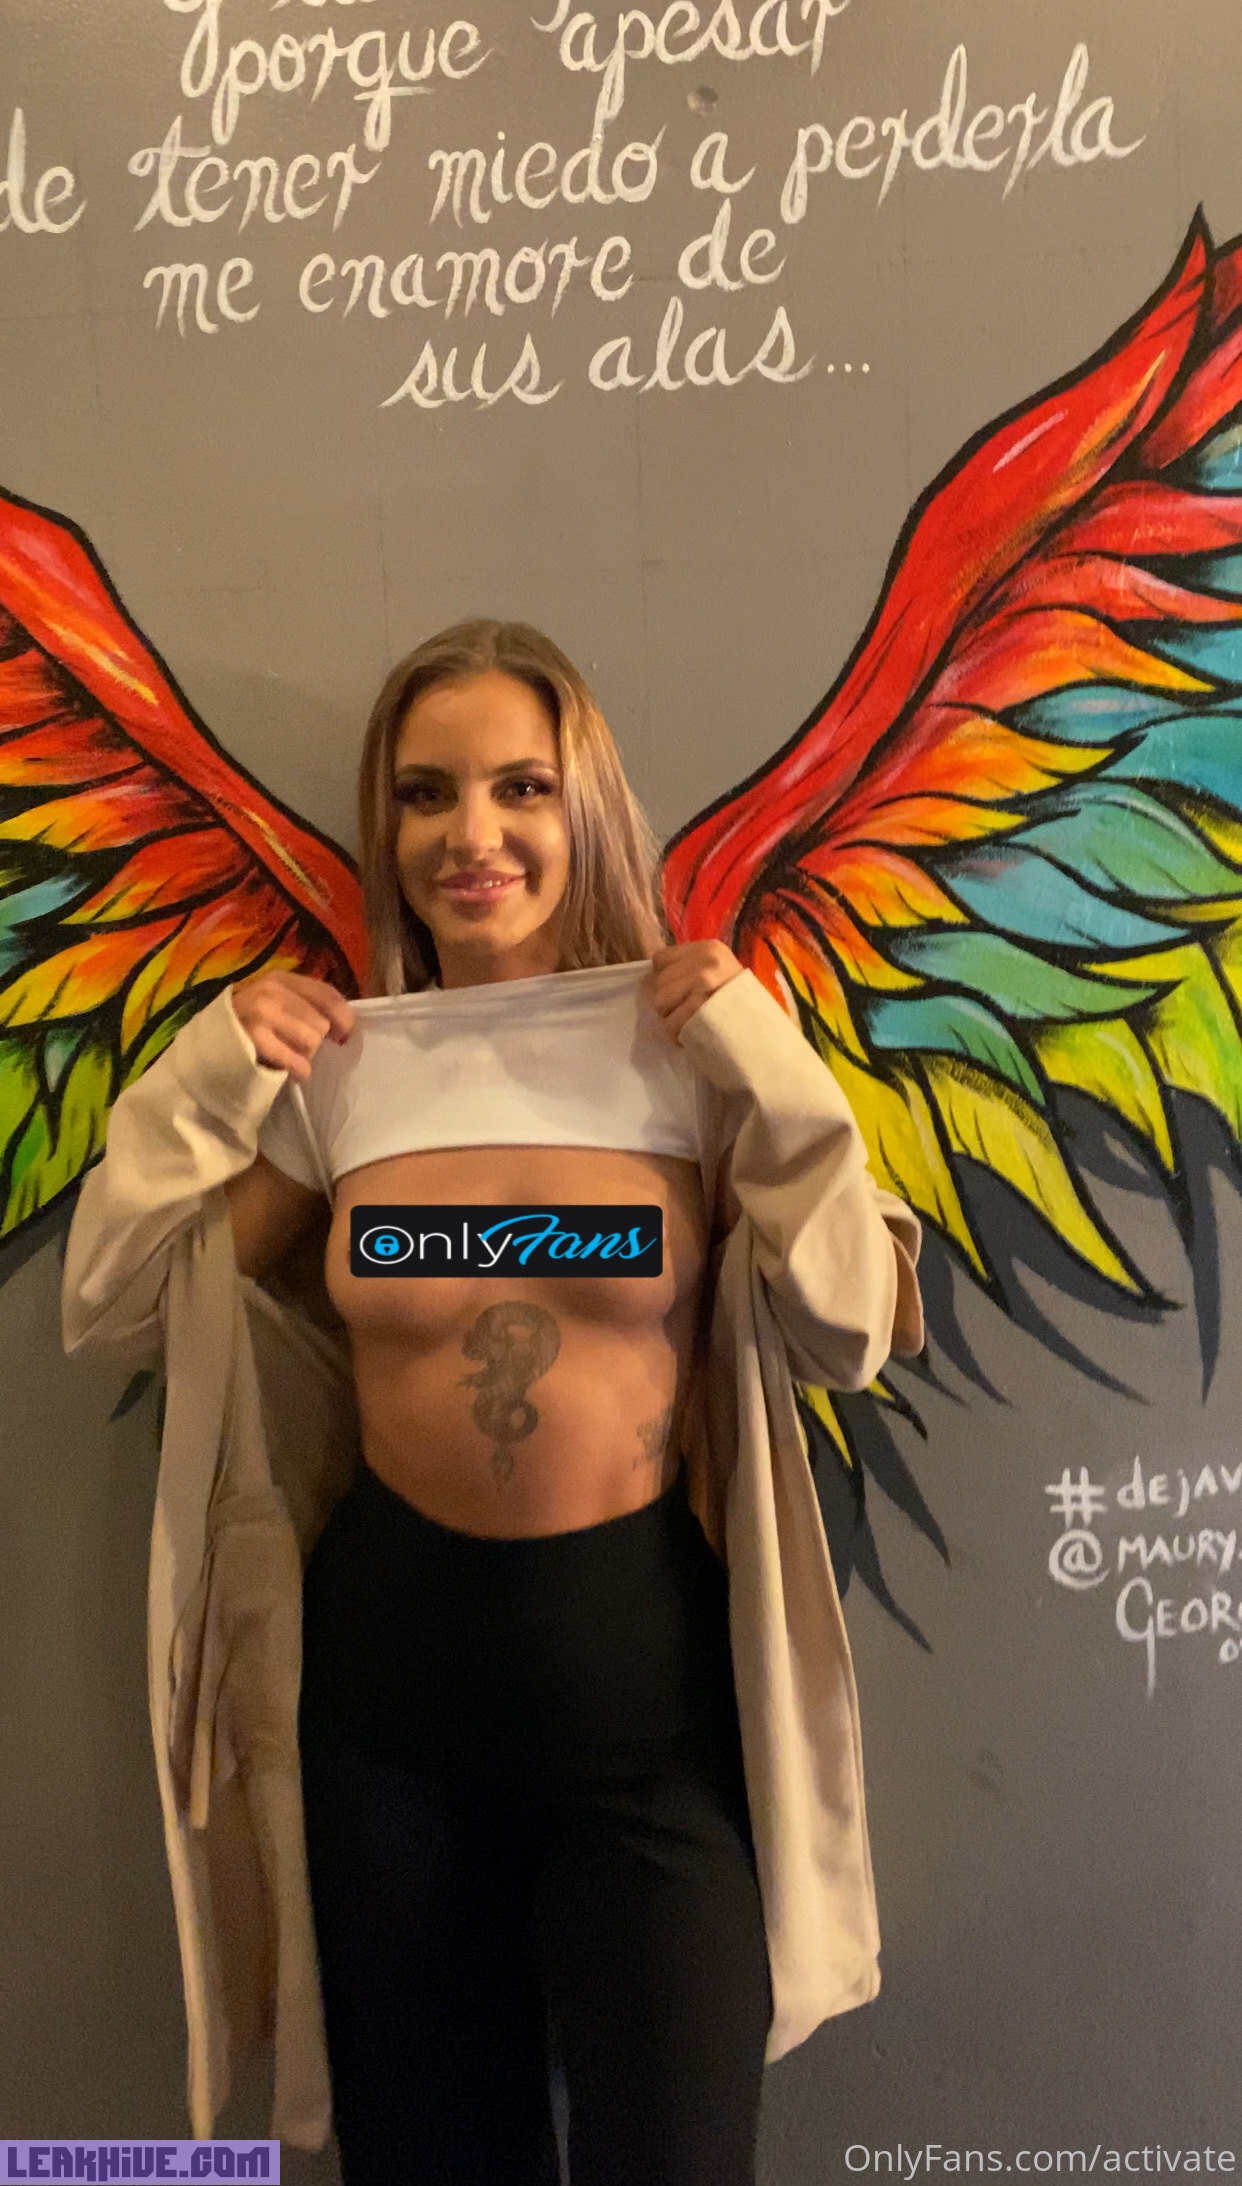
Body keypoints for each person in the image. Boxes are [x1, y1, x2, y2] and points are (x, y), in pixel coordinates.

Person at [62, 619, 923, 2186]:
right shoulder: (342, 1076)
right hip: (389, 1732)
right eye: (427, 793)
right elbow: (117, 1308)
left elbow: (848, 1327)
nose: (474, 834)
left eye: (521, 786)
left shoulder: (687, 1055)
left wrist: (773, 1067)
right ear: (384, 827)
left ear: (582, 805)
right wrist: (202, 1079)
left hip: (652, 1730)